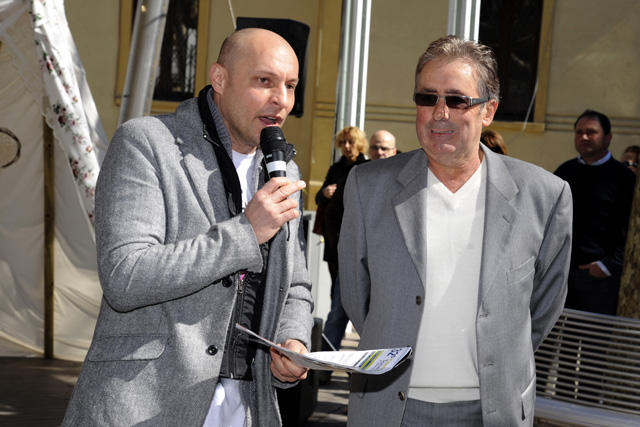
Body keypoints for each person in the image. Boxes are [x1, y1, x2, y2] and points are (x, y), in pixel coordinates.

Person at [62, 28, 313, 427]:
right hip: (142, 406)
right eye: (264, 81)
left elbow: (295, 284)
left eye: (291, 86)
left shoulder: (283, 170)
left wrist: (293, 340)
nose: (281, 99)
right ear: (220, 78)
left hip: (247, 407)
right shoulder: (146, 143)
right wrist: (246, 232)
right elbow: (125, 275)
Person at [339, 35, 572, 426]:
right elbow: (356, 295)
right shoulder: (368, 187)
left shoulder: (544, 195)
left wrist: (499, 353)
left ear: (488, 110)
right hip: (389, 407)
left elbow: (543, 306)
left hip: (491, 412)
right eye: (427, 98)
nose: (439, 113)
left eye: (457, 100)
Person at [555, 110, 636, 315]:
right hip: (561, 275)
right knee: (558, 333)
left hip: (601, 279)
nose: (583, 137)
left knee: (593, 334)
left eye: (591, 132)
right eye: (579, 132)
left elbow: (631, 230)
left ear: (608, 137)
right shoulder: (564, 172)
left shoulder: (624, 179)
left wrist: (608, 265)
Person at [315, 126, 368, 353]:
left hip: (354, 244)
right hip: (333, 242)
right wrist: (324, 193)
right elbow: (318, 198)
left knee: (349, 300)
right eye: (343, 142)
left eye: (351, 142)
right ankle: (331, 352)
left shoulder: (365, 167)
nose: (347, 147)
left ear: (359, 144)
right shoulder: (335, 168)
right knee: (335, 296)